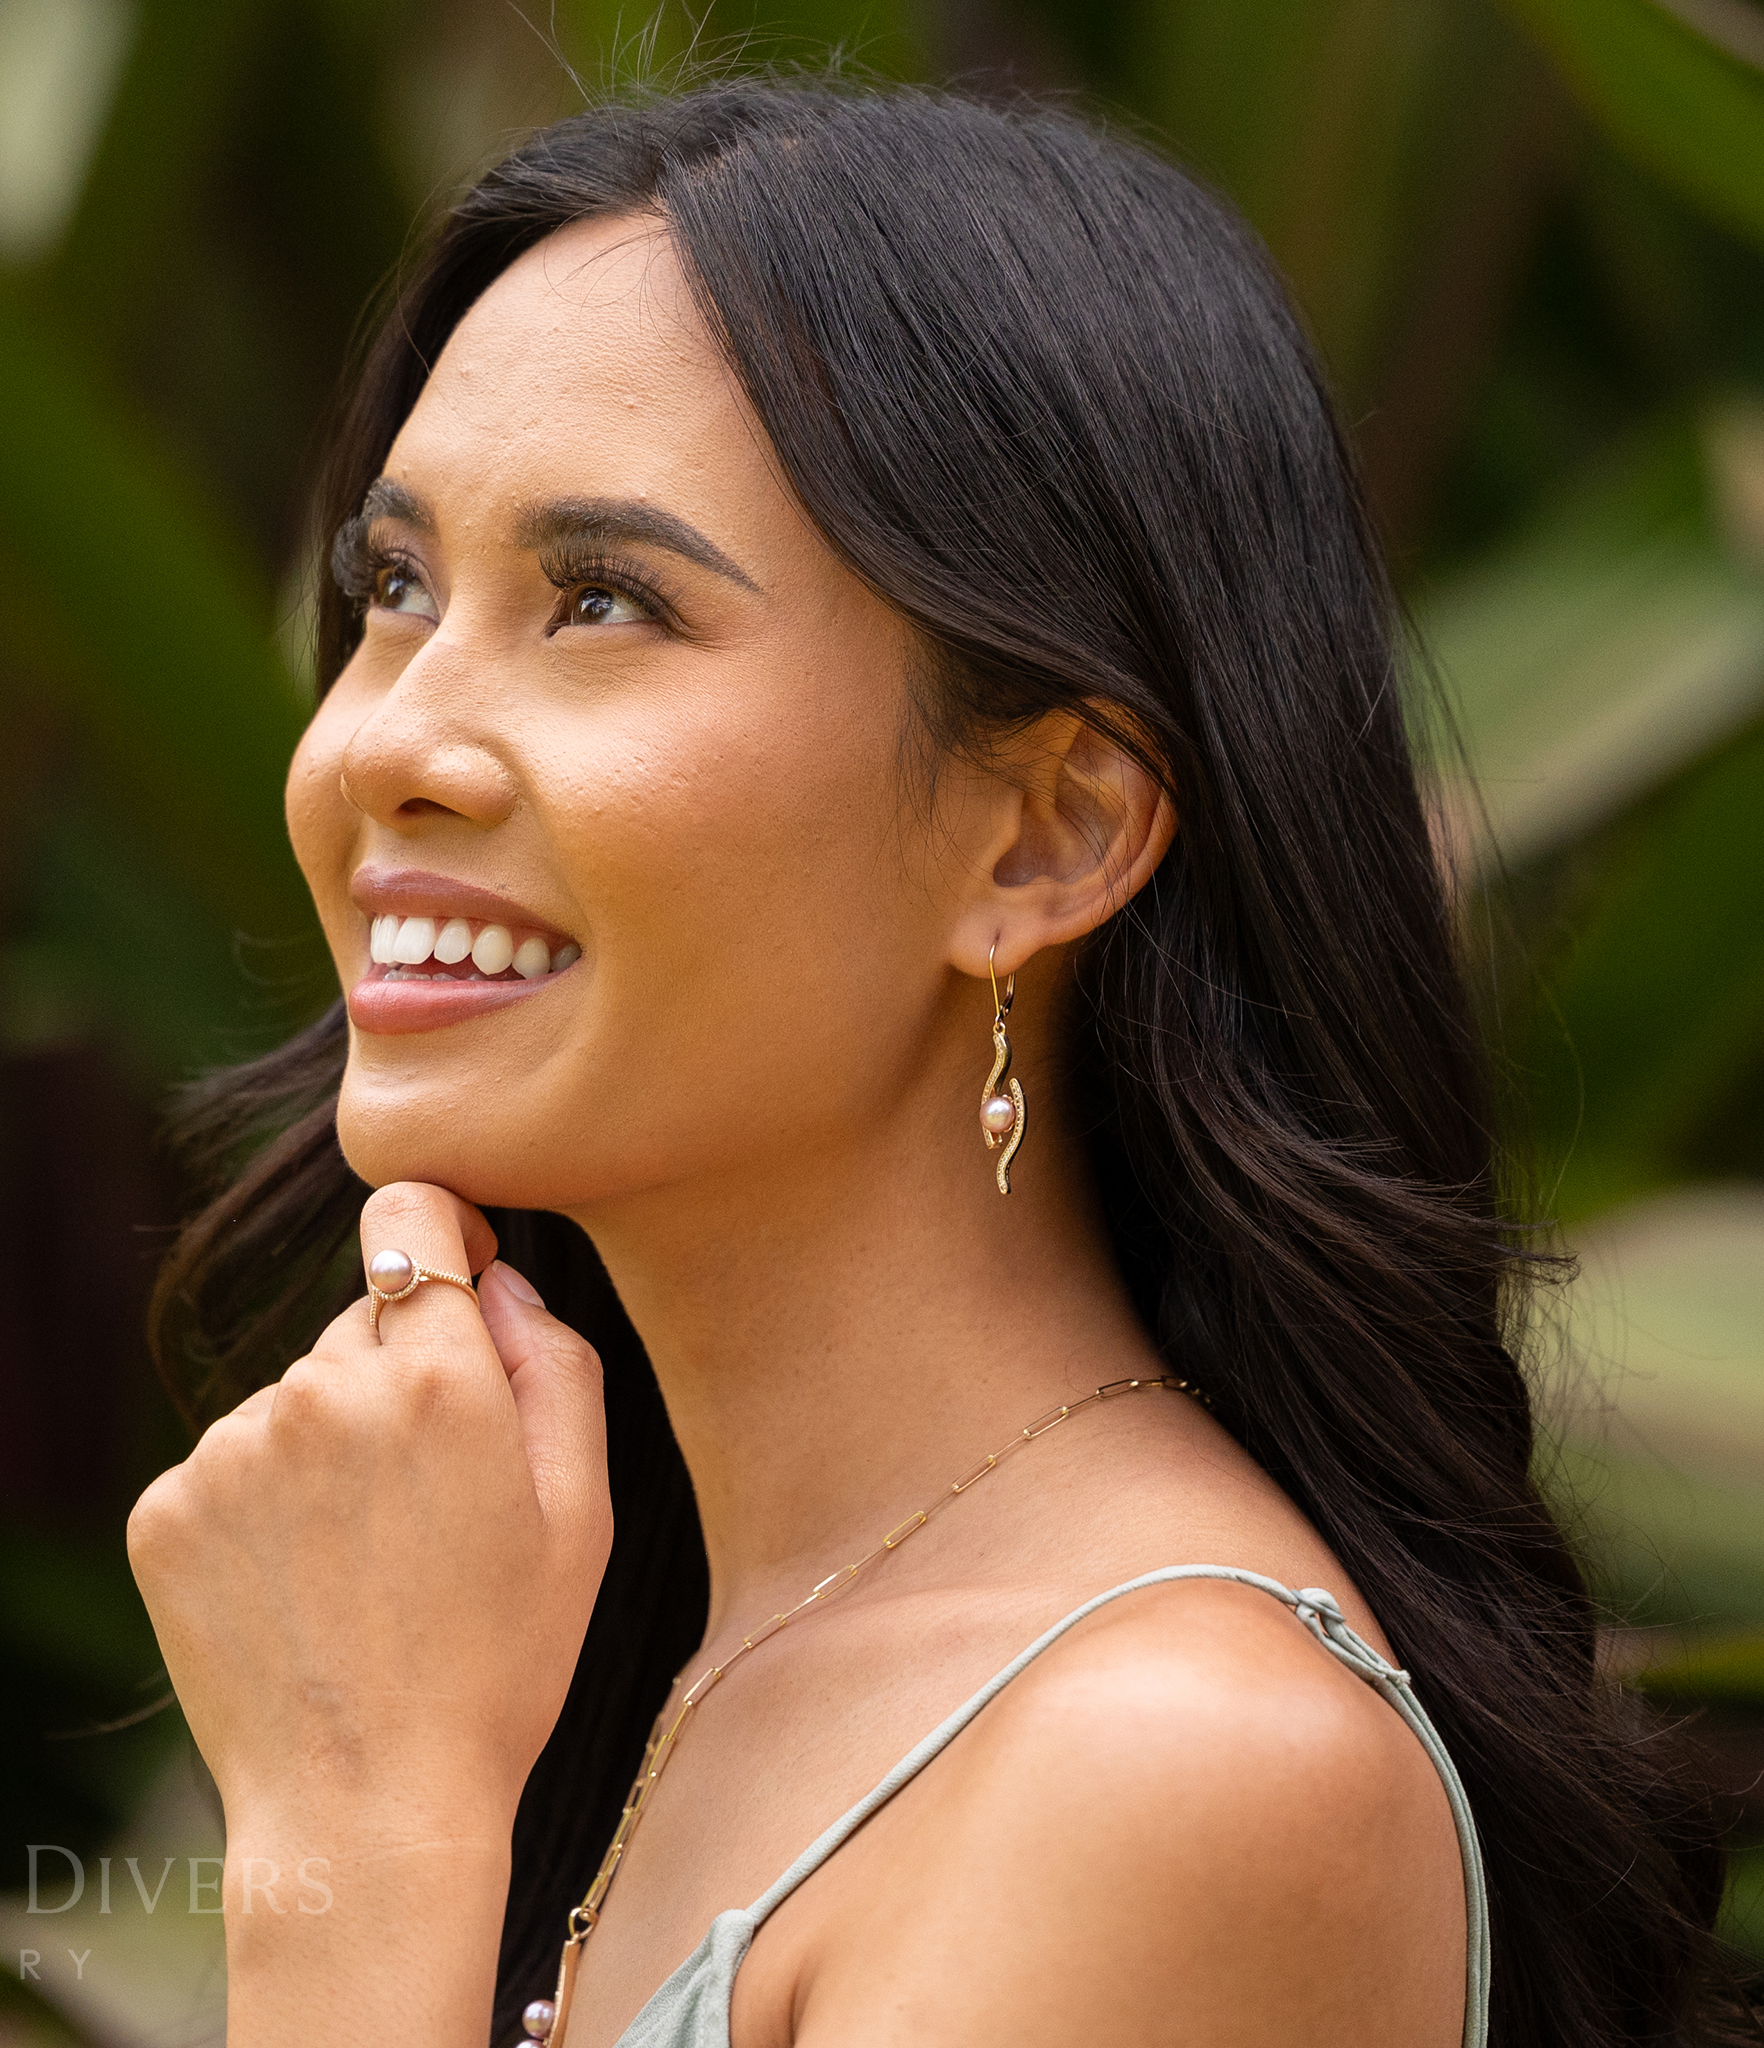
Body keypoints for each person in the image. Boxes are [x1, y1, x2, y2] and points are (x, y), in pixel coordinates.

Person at [128, 80, 1744, 2048]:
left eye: (602, 600)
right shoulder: (625, 1652)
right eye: (394, 588)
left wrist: (354, 1846)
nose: (384, 740)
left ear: (1042, 837)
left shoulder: (1171, 1768)